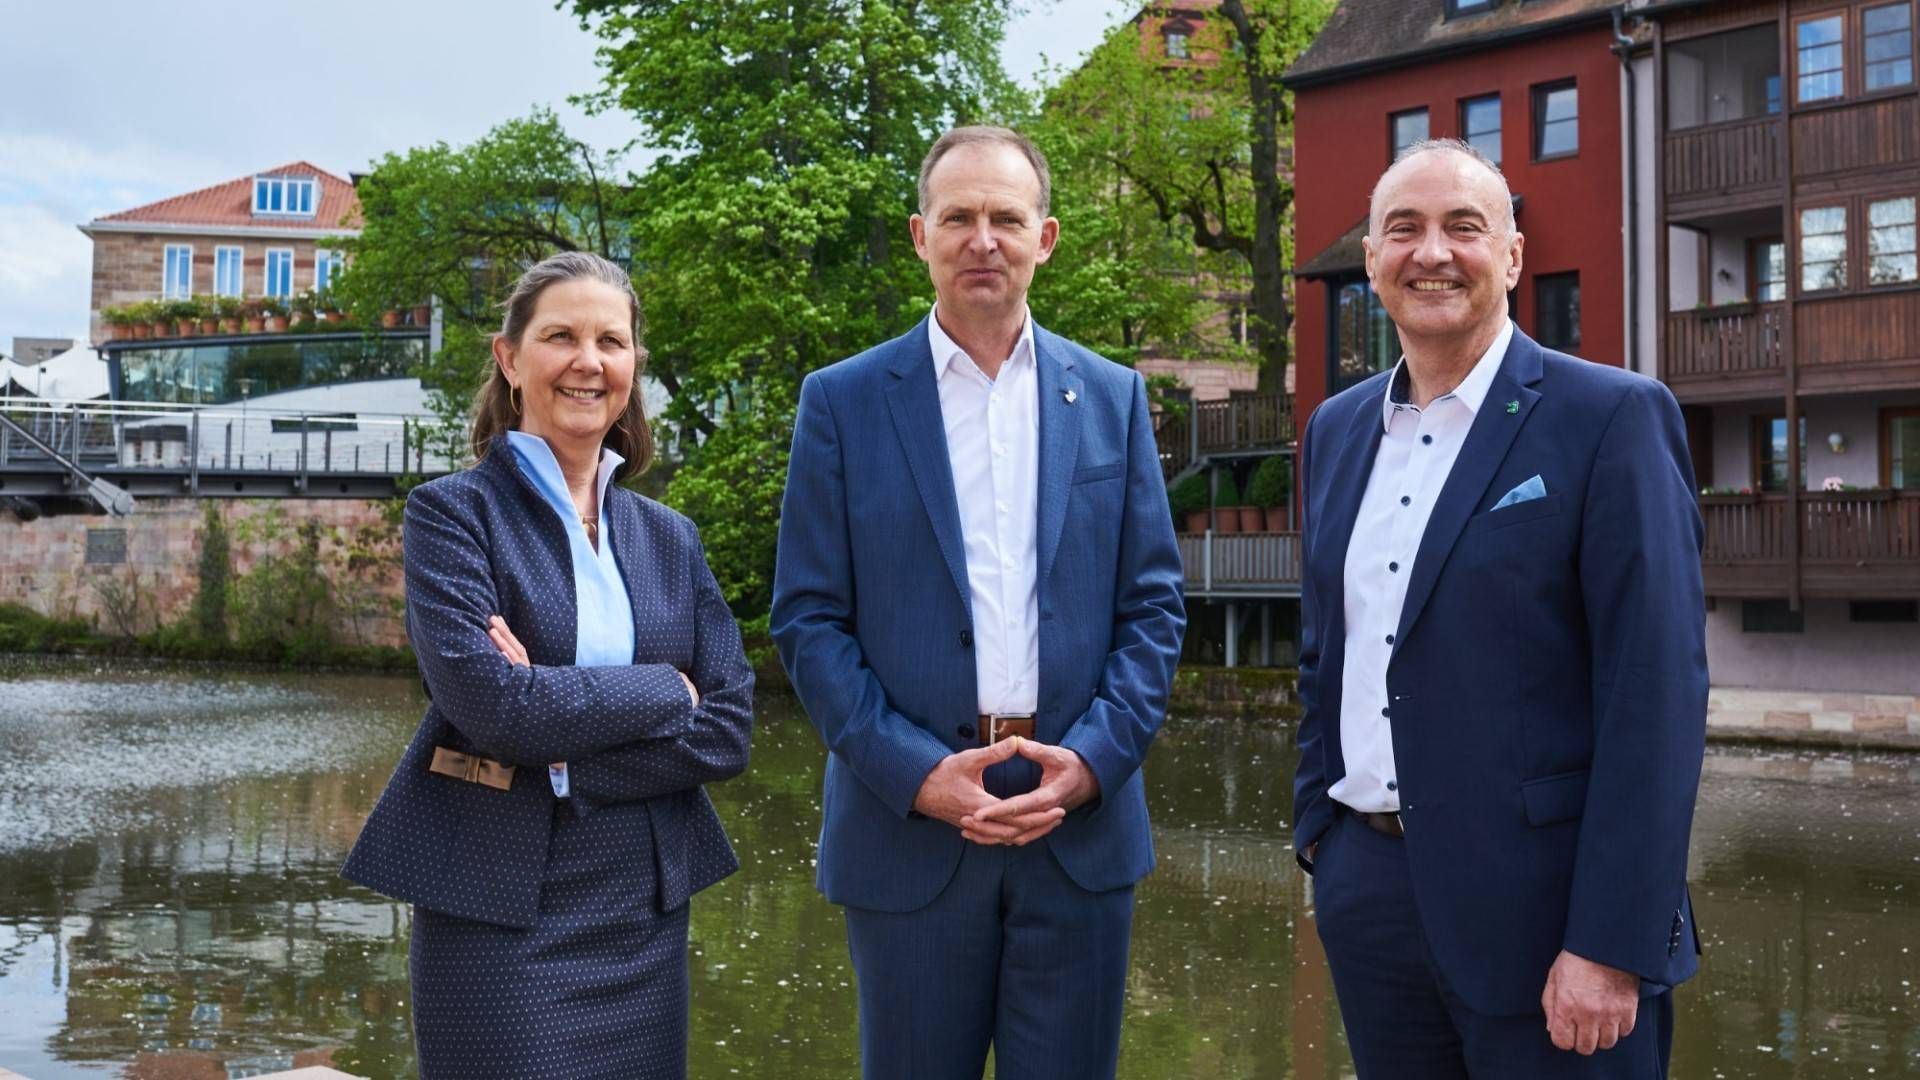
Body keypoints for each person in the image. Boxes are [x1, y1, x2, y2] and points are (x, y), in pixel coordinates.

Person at [770, 125, 1186, 1079]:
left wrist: (1091, 762)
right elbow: (808, 619)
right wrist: (916, 774)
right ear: (922, 235)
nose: (982, 239)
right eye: (959, 217)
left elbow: (1154, 609)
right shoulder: (842, 402)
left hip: (1077, 833)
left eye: (1006, 217)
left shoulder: (1114, 397)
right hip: (910, 836)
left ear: (1045, 238)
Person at [1290, 138, 1707, 1078]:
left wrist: (1613, 941)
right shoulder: (1336, 428)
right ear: (1370, 260)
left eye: (1463, 227)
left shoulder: (1609, 418)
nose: (1431, 252)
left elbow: (1656, 696)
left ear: (1512, 257)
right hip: (1373, 905)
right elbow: (1329, 650)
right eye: (1404, 229)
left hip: (1554, 925)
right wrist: (1321, 834)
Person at [342, 251, 753, 1080]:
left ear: (633, 366)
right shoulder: (452, 515)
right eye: (560, 336)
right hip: (498, 907)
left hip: (642, 902)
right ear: (509, 356)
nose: (587, 361)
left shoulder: (670, 537)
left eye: (611, 340)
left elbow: (730, 730)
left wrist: (563, 751)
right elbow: (495, 710)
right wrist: (662, 688)